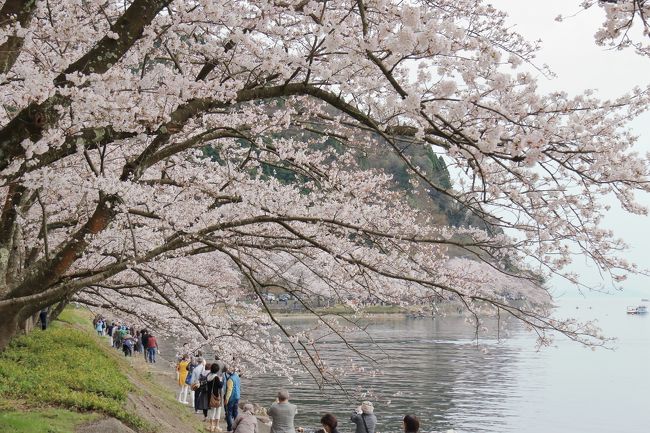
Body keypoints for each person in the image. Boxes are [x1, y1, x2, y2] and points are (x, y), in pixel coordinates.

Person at [206, 363, 224, 432]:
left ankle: (211, 426)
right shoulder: (216, 377)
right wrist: (221, 381)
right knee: (218, 411)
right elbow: (220, 385)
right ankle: (217, 426)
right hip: (216, 396)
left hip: (210, 396)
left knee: (212, 411)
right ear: (217, 370)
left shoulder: (208, 376)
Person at [224, 366, 241, 432]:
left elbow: (229, 390)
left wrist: (226, 399)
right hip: (237, 396)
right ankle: (237, 426)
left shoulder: (230, 379)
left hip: (231, 398)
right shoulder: (237, 377)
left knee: (229, 413)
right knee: (235, 412)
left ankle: (230, 428)